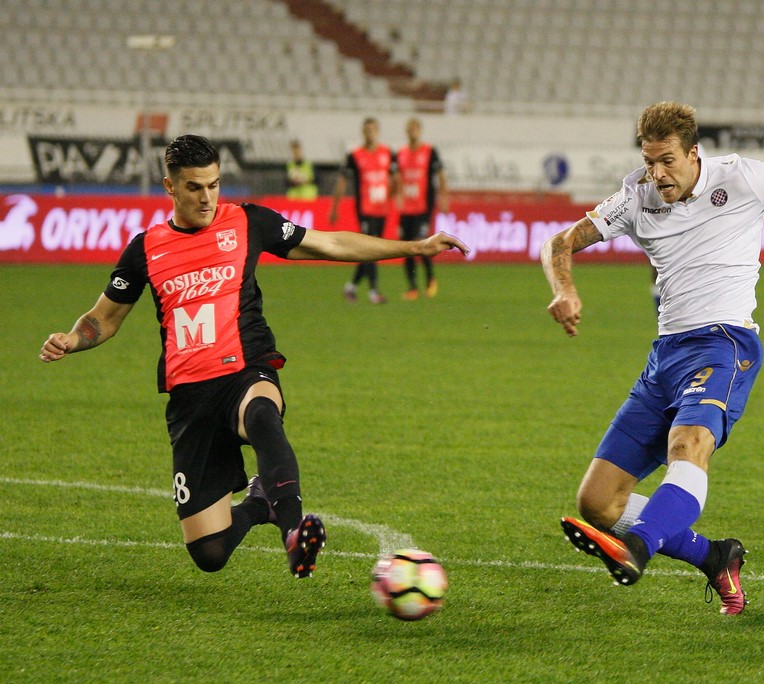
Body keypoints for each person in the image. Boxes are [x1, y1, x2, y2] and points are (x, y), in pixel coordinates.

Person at [38, 134, 468, 579]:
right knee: (209, 552)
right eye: (194, 187)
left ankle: (294, 531)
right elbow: (104, 318)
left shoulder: (248, 222)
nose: (207, 198)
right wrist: (73, 339)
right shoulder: (145, 250)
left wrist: (413, 247)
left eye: (214, 184)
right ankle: (260, 503)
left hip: (245, 368)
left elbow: (330, 244)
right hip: (189, 396)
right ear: (169, 186)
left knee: (262, 414)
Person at [542, 102, 764, 615]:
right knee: (597, 504)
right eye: (649, 162)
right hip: (664, 356)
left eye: (667, 161)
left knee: (689, 444)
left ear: (694, 153)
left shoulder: (741, 178)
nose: (657, 173)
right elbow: (559, 242)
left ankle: (638, 546)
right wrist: (564, 289)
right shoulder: (637, 197)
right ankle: (715, 556)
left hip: (724, 343)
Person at [329, 117, 399, 304]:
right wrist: (334, 208)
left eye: (373, 130)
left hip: (382, 209)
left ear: (377, 131)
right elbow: (342, 182)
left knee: (370, 250)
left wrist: (392, 197)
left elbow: (396, 178)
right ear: (363, 132)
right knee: (371, 249)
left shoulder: (387, 153)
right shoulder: (355, 155)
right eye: (367, 130)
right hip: (365, 209)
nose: (370, 133)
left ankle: (351, 287)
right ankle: (374, 292)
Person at [396, 117, 449, 300]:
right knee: (406, 246)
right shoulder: (401, 153)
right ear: (406, 131)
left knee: (422, 243)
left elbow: (440, 175)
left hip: (423, 207)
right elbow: (397, 178)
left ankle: (430, 279)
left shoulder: (429, 151)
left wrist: (444, 197)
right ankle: (412, 287)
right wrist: (397, 195)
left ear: (420, 130)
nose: (412, 132)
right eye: (409, 128)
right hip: (406, 209)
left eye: (415, 128)